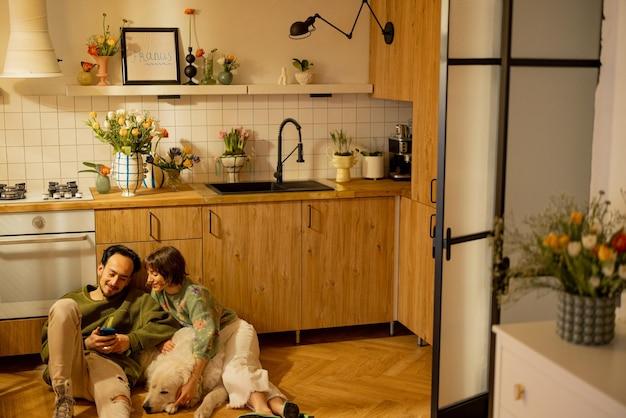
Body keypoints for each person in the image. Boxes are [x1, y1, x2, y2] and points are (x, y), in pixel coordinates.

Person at [145, 246, 305, 418]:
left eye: (154, 274)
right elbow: (157, 322)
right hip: (210, 339)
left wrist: (192, 382)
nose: (149, 280)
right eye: (149, 273)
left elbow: (207, 337)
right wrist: (161, 341)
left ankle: (263, 411)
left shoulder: (195, 295)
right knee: (240, 370)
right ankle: (279, 406)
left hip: (232, 332)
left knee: (233, 371)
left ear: (170, 272)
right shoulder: (159, 294)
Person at [41, 245, 181, 418]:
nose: (115, 282)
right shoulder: (74, 299)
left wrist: (130, 340)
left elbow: (170, 324)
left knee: (118, 408)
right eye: (112, 274)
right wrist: (86, 343)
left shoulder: (138, 300)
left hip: (110, 371)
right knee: (64, 307)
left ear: (129, 280)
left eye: (123, 278)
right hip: (70, 371)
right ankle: (62, 399)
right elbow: (47, 352)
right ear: (101, 269)